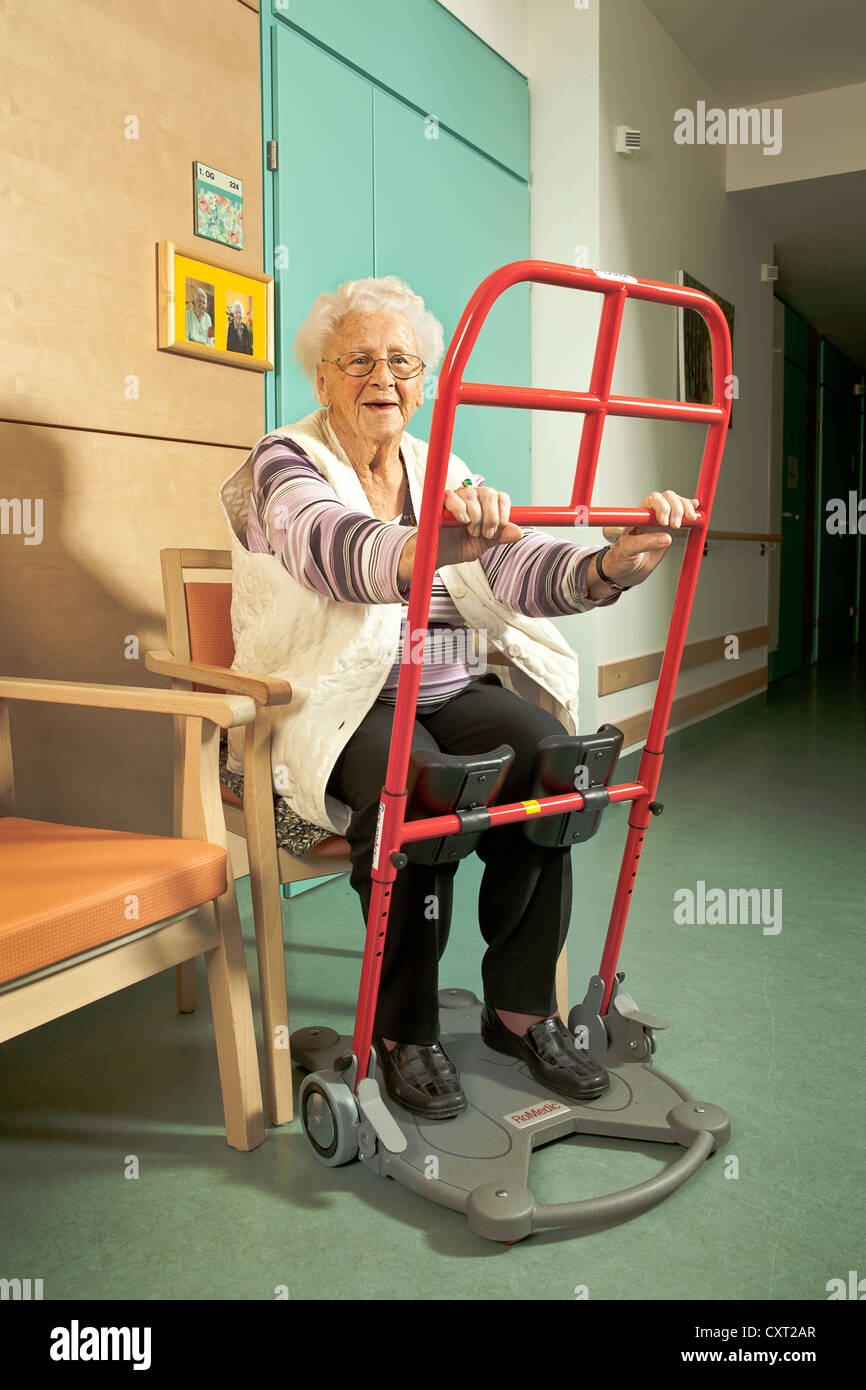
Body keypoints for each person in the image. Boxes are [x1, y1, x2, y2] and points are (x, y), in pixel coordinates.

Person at [219, 275, 698, 1120]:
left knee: (559, 763)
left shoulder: (439, 465)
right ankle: (403, 1028)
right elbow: (330, 547)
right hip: (341, 695)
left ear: (426, 380)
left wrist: (605, 568)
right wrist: (425, 545)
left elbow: (508, 564)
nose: (384, 378)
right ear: (322, 378)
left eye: (402, 361)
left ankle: (521, 1009)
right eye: (359, 359)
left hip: (446, 677)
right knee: (428, 788)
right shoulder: (283, 459)